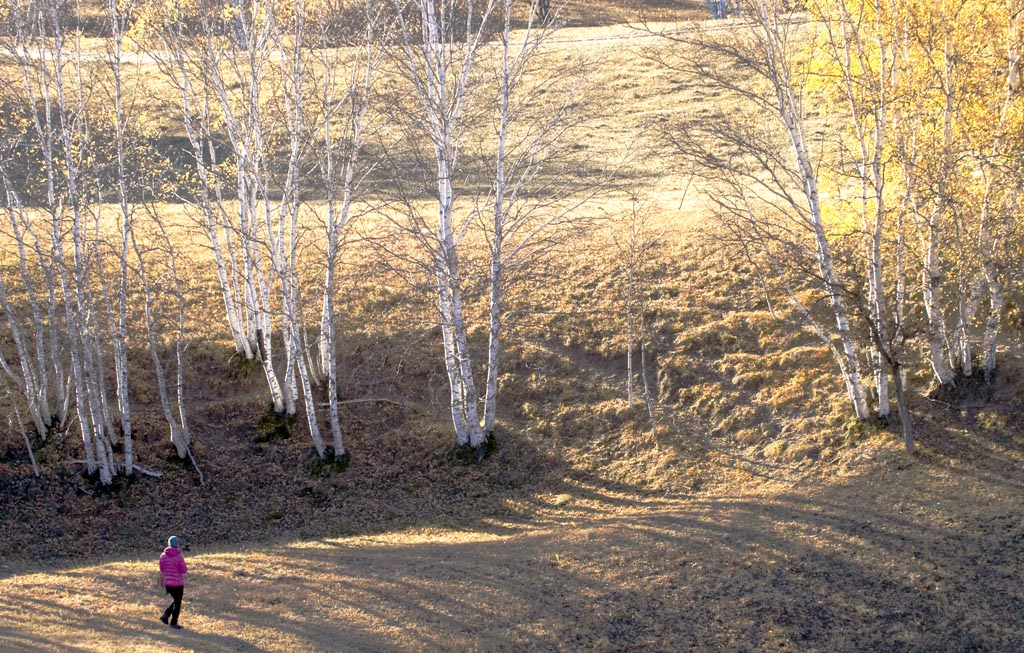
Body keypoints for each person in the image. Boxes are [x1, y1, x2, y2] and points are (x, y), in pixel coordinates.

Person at [159, 535, 188, 629]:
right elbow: (184, 570)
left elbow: (162, 568)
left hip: (167, 583)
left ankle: (166, 615)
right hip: (177, 583)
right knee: (177, 603)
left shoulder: (163, 556)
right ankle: (173, 623)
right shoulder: (179, 556)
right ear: (177, 545)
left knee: (176, 600)